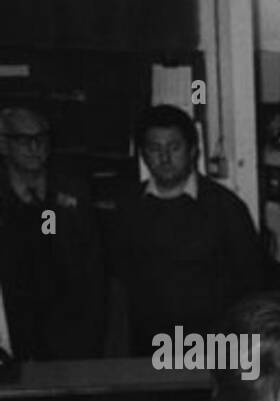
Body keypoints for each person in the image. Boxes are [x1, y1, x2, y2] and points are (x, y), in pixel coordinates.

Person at [109, 104, 263, 355]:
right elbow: (120, 284)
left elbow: (251, 286)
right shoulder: (128, 208)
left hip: (214, 350)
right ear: (143, 155)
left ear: (193, 151)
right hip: (149, 349)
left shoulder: (226, 208)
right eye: (154, 149)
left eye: (174, 147)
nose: (165, 157)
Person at [0, 105, 106, 360]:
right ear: (3, 145)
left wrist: (89, 339)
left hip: (71, 338)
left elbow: (93, 273)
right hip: (11, 337)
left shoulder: (73, 194)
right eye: (23, 140)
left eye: (41, 138)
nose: (34, 148)